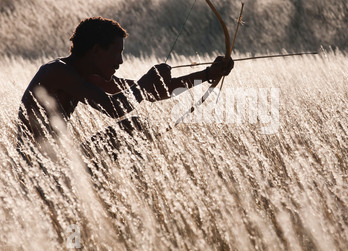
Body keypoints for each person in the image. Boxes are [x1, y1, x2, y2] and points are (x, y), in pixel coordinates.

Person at [16, 16, 234, 161]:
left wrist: (206, 75)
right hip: (38, 169)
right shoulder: (57, 72)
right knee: (134, 126)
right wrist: (144, 84)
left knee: (135, 126)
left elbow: (154, 92)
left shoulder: (86, 76)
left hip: (60, 164)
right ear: (96, 51)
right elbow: (115, 109)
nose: (120, 61)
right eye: (116, 53)